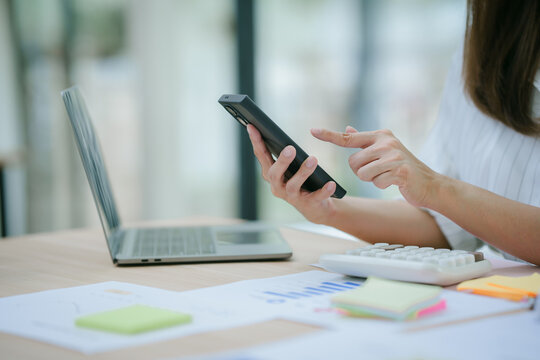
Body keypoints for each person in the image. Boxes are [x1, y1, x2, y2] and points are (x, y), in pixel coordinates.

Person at [246, 0, 540, 266]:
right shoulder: (480, 47)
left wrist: (437, 188)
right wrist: (327, 209)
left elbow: (443, 195)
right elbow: (443, 224)